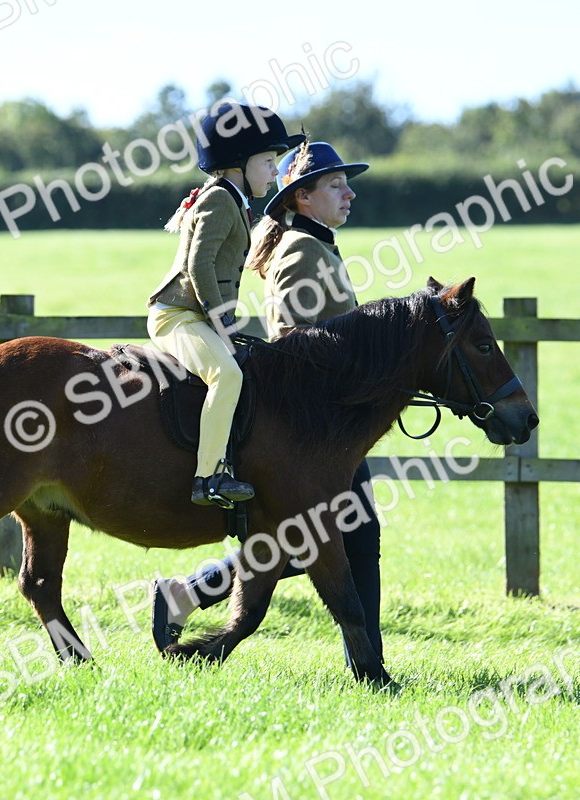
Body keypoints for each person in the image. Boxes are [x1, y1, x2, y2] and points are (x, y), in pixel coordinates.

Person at [151, 140, 394, 683]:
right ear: (302, 197)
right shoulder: (302, 250)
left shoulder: (316, 243)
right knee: (344, 538)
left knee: (334, 539)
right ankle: (370, 667)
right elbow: (289, 335)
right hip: (318, 426)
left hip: (336, 424)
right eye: (335, 185)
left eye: (345, 184)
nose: (348, 193)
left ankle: (187, 594)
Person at [147, 102, 304, 507]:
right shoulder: (219, 200)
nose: (274, 171)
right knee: (226, 375)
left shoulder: (231, 198)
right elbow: (199, 266)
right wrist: (223, 323)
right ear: (238, 162)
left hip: (196, 315)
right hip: (177, 316)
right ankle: (208, 478)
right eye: (269, 161)